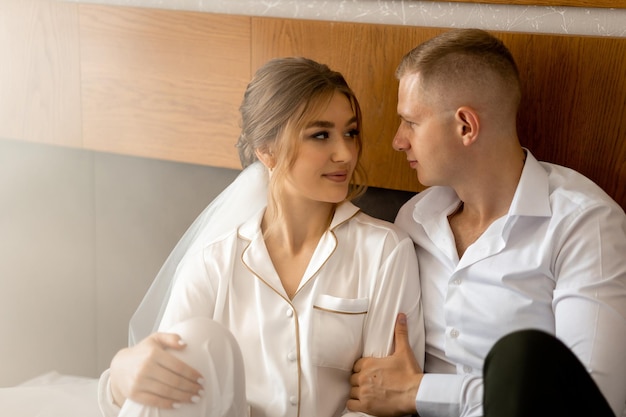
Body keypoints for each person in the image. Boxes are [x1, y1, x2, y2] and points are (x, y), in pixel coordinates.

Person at [97, 56, 425, 417]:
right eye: (321, 135)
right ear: (266, 150)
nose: (345, 153)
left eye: (350, 132)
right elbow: (158, 378)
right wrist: (119, 376)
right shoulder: (215, 259)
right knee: (200, 342)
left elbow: (380, 402)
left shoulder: (384, 251)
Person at [347, 28, 626, 417]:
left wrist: (420, 391)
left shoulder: (584, 225)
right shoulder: (413, 220)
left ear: (466, 126)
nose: (397, 141)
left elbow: (593, 397)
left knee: (521, 356)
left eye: (410, 122)